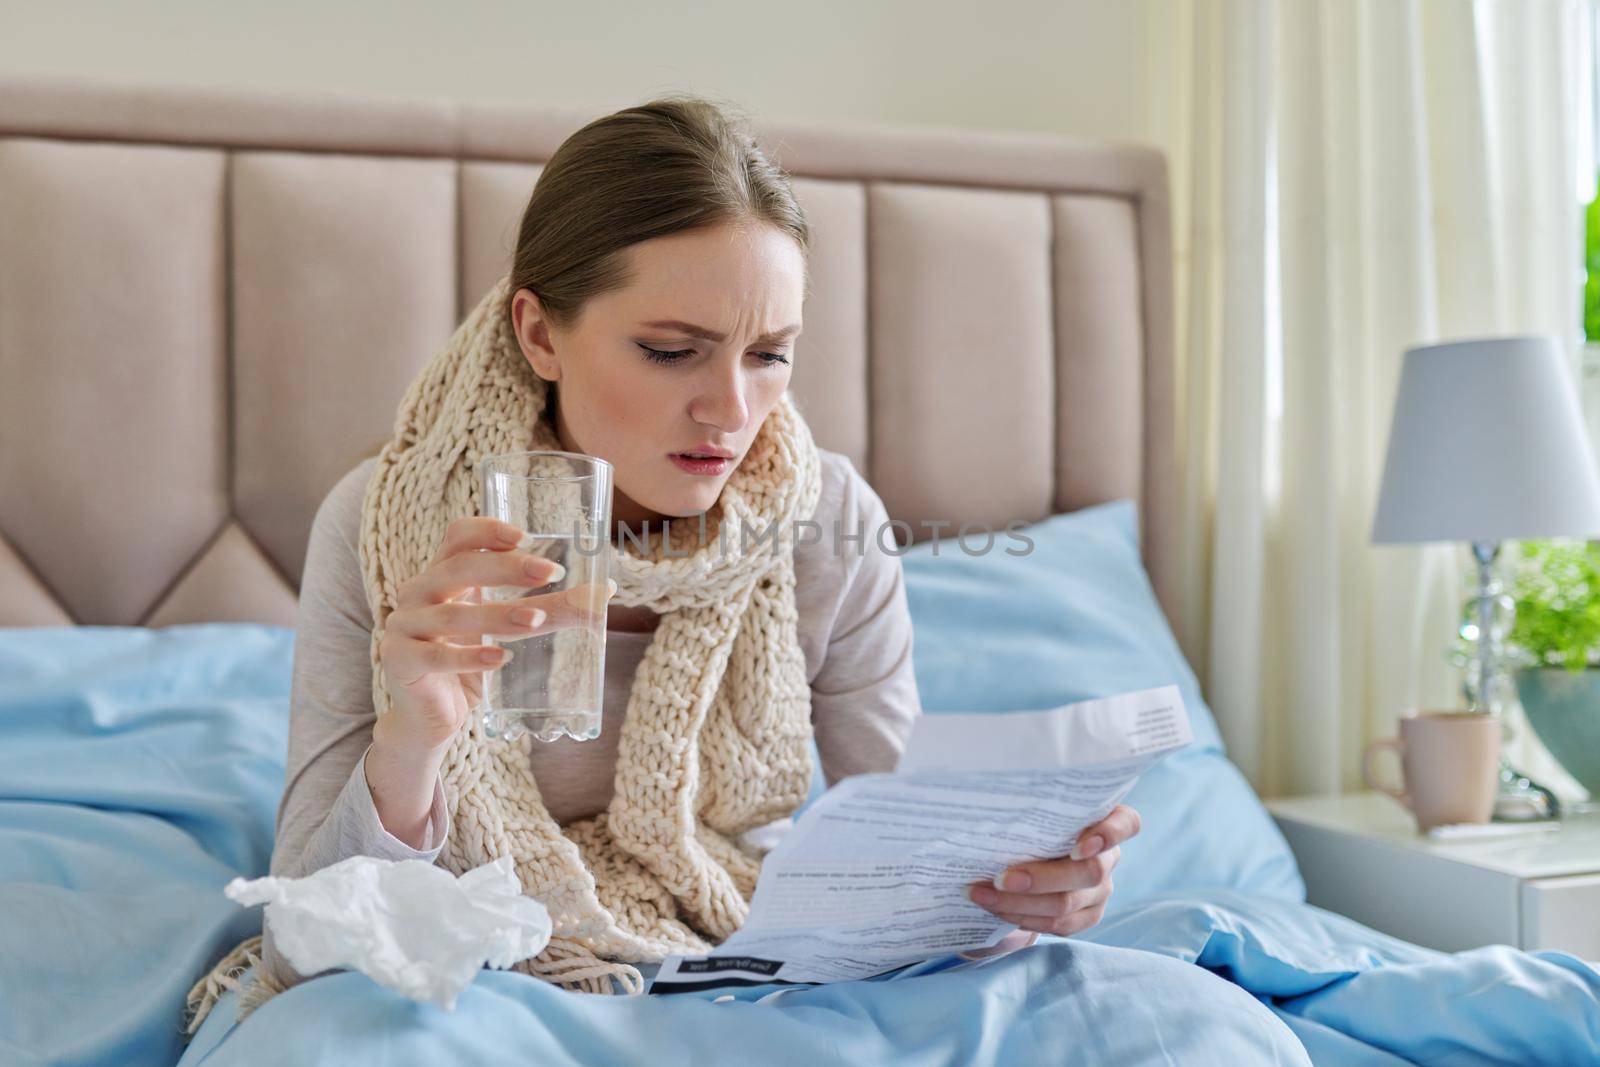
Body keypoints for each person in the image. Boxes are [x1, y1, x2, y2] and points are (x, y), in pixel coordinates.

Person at [182, 92, 1139, 1035]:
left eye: (770, 354)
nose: (729, 409)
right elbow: (302, 940)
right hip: (481, 981)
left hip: (753, 962)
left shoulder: (826, 518)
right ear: (540, 333)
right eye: (672, 350)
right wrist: (411, 738)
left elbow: (913, 865)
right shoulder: (384, 528)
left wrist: (1024, 897)